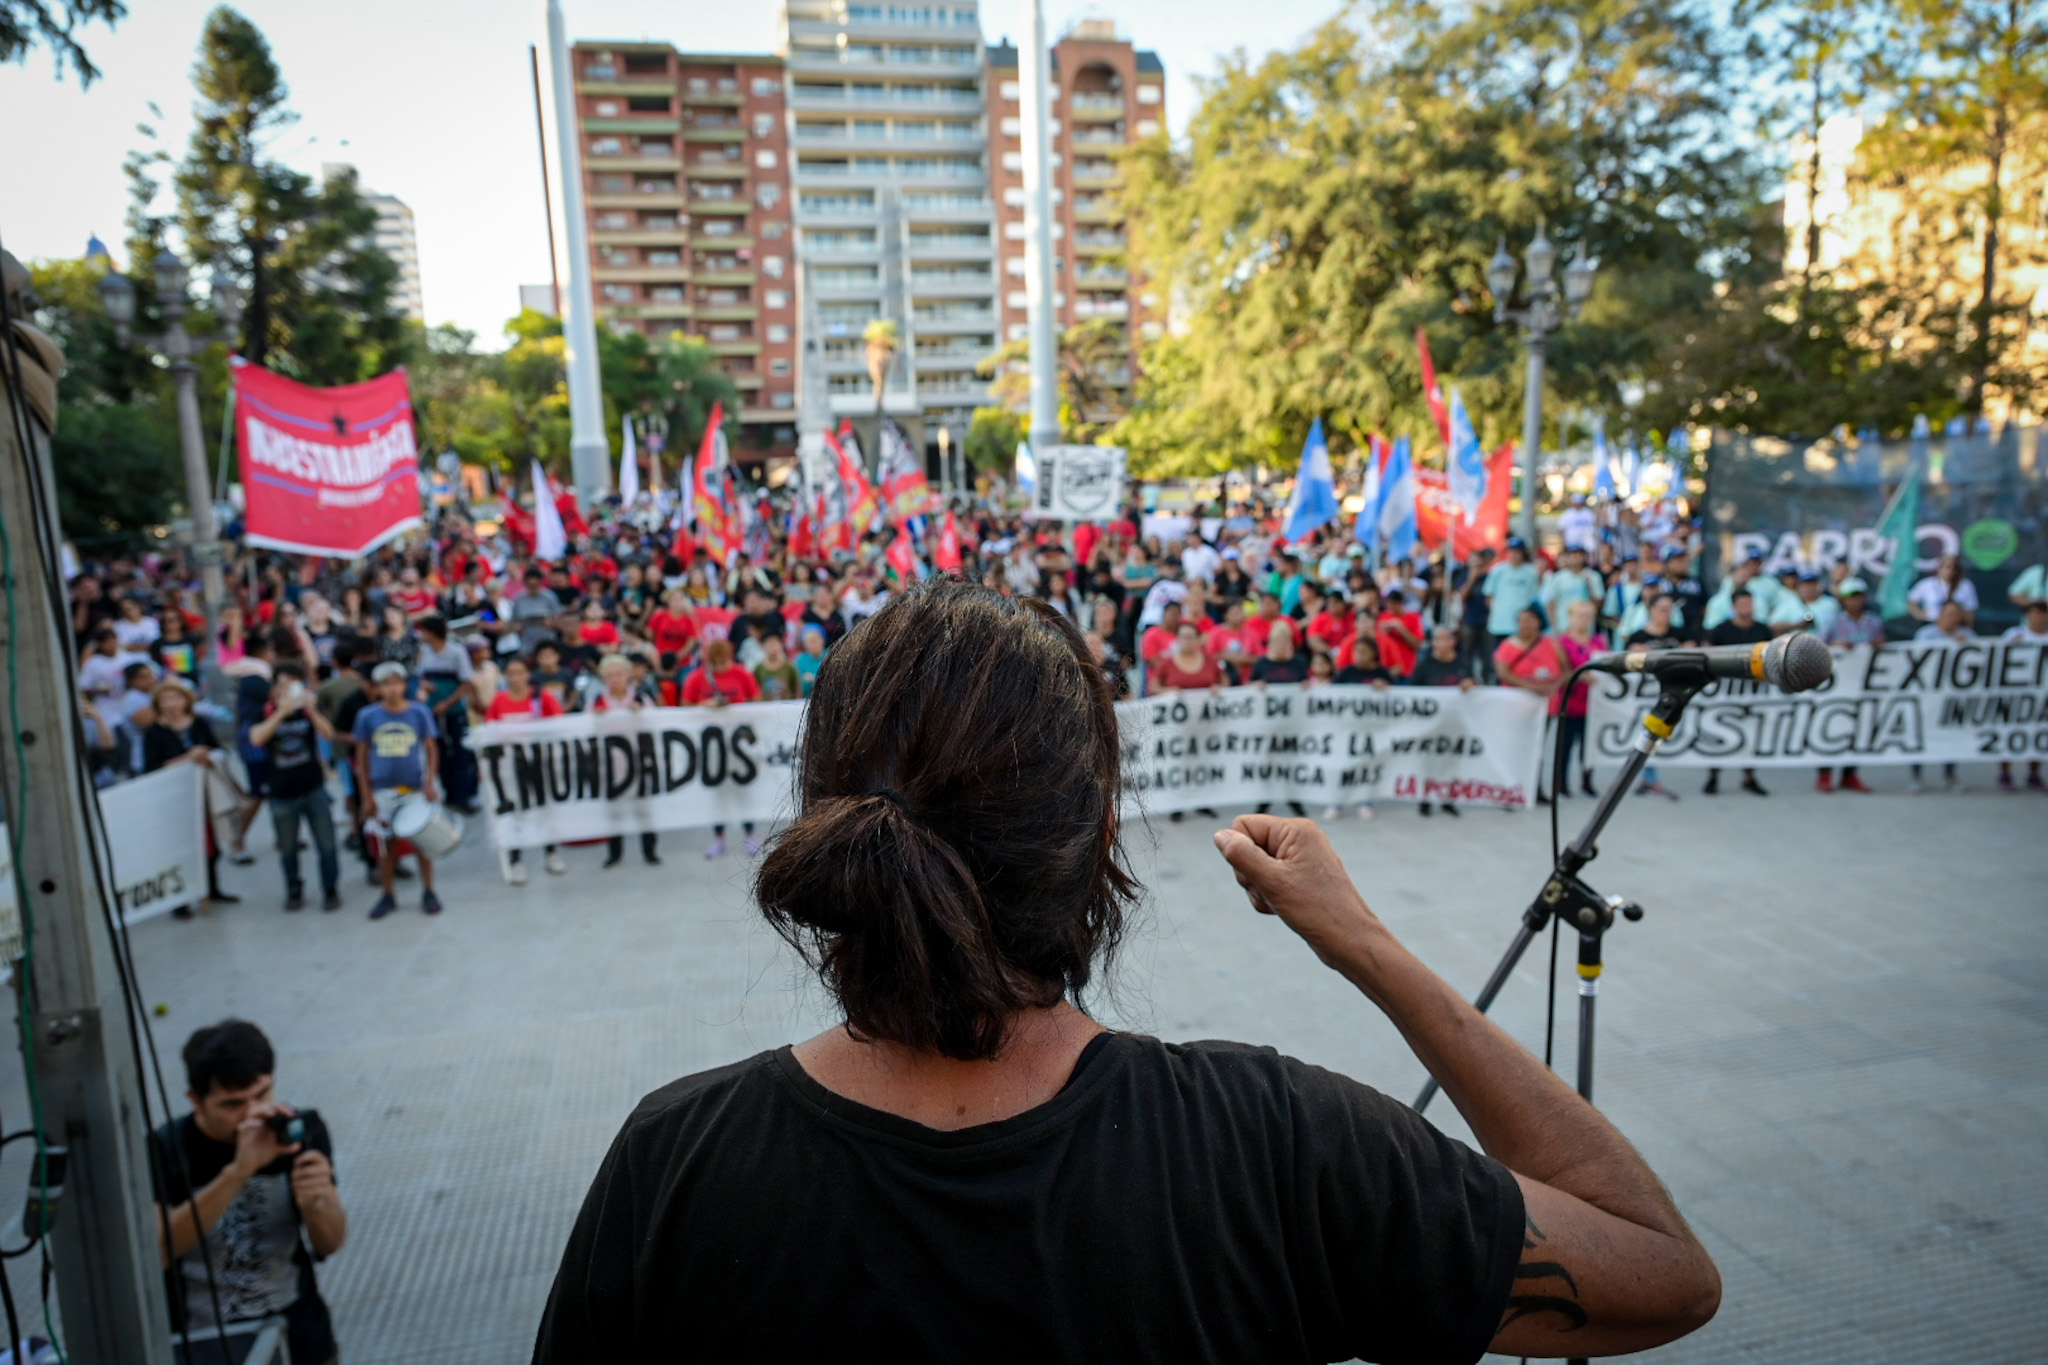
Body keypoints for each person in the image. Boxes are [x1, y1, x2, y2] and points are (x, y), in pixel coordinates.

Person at [534, 581, 1720, 1363]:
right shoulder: (1271, 1145)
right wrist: (1363, 942)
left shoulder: (672, 1163)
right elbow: (1661, 1270)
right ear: (1098, 835)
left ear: (826, 823)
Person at [152, 1020, 346, 1365]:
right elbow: (158, 1251)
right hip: (206, 1348)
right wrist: (238, 1172)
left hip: (302, 1341)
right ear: (196, 1101)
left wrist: (318, 1202)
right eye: (232, 1105)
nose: (252, 1114)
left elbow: (330, 1243)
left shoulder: (297, 1131)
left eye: (262, 1094)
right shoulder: (164, 1150)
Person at [247, 663, 342, 912]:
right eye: (283, 686)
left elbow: (329, 734)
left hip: (313, 788)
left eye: (293, 686)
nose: (287, 691)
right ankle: (293, 890)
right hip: (281, 793)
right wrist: (280, 713)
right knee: (288, 848)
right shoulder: (264, 712)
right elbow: (256, 738)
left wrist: (312, 710)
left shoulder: (308, 711)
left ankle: (330, 889)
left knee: (327, 844)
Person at [351, 662, 443, 919]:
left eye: (396, 683)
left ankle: (429, 890)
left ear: (404, 685)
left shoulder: (419, 713)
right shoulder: (368, 717)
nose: (392, 689)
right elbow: (361, 757)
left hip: (414, 789)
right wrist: (366, 796)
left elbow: (431, 748)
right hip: (382, 791)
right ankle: (388, 893)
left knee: (423, 842)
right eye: (386, 684)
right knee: (386, 845)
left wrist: (430, 782)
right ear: (377, 688)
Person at [142, 677, 238, 914]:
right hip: (173, 799)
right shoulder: (154, 732)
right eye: (165, 699)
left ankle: (211, 887)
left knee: (210, 843)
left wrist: (207, 756)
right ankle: (181, 899)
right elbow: (153, 767)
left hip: (204, 792)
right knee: (180, 846)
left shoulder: (198, 724)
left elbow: (217, 749)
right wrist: (187, 759)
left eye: (175, 698)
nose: (171, 703)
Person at [485, 657, 567, 883]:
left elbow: (559, 724)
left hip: (538, 763)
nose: (515, 677)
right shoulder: (499, 700)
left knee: (543, 809)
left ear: (528, 675)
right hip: (510, 766)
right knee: (515, 812)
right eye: (511, 673)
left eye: (520, 672)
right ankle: (516, 860)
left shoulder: (542, 697)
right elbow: (490, 732)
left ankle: (551, 853)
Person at [682, 639, 761, 858]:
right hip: (712, 745)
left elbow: (757, 700)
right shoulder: (697, 677)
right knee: (718, 794)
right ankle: (719, 838)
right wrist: (706, 705)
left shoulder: (742, 673)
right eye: (715, 664)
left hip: (738, 744)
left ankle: (750, 835)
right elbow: (686, 704)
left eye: (723, 663)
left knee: (743, 791)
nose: (719, 668)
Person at [1815, 578, 1886, 795]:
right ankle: (1825, 773)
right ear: (1843, 600)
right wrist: (1837, 645)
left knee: (1859, 727)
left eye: (1858, 596)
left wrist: (1878, 645)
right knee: (1833, 726)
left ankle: (1850, 773)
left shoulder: (1873, 622)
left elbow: (1882, 644)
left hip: (1862, 683)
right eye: (1850, 597)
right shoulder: (1833, 622)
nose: (1855, 601)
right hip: (1838, 683)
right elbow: (1818, 645)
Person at [592, 655, 663, 869]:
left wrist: (641, 714)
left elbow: (655, 722)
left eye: (619, 674)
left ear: (627, 676)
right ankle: (615, 853)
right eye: (610, 676)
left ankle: (650, 851)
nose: (615, 679)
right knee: (614, 812)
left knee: (644, 810)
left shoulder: (640, 697)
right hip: (611, 766)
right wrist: (596, 718)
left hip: (638, 763)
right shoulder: (598, 701)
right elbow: (588, 729)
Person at [1702, 591, 1772, 797]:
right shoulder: (1721, 629)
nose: (1746, 607)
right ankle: (1713, 775)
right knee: (1720, 735)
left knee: (1751, 734)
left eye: (1749, 603)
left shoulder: (1762, 629)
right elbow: (1708, 652)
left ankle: (1749, 776)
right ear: (1734, 607)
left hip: (1753, 691)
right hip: (1726, 692)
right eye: (1742, 604)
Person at [1623, 596, 1683, 799]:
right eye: (1662, 609)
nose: (1666, 613)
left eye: (1669, 609)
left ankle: (1649, 778)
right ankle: (1649, 777)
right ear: (1651, 610)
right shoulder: (1638, 635)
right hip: (1646, 696)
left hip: (1672, 696)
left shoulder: (1681, 633)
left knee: (1660, 736)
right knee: (1647, 733)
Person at [1554, 600, 1609, 800]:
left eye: (1588, 615)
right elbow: (1559, 670)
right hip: (1570, 701)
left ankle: (1587, 780)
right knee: (1565, 745)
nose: (1584, 620)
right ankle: (1561, 782)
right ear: (1570, 617)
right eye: (1580, 615)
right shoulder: (1562, 642)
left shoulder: (1598, 641)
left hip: (1593, 702)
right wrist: (1578, 676)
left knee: (1589, 745)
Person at [1998, 593, 2048, 792]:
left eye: (2042, 614)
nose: (2038, 618)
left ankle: (2034, 774)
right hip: (2016, 694)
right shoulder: (2014, 635)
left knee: (2038, 734)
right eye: (2034, 614)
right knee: (2009, 734)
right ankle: (2005, 773)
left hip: (2042, 695)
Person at [1482, 538, 1541, 655]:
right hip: (1500, 623)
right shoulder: (1498, 570)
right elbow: (1489, 595)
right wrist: (1494, 612)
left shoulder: (1531, 572)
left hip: (1522, 625)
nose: (1514, 555)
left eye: (1517, 551)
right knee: (1500, 655)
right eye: (1511, 551)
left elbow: (1533, 596)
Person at [1146, 621, 1223, 695]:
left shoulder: (1210, 661)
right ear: (1177, 639)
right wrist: (1167, 691)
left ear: (1198, 639)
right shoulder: (1167, 663)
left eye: (1191, 637)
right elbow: (1153, 687)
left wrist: (1219, 688)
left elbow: (1225, 680)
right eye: (1184, 637)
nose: (1188, 641)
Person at [1907, 553, 1977, 628]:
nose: (1950, 571)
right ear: (1940, 568)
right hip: (1931, 624)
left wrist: (1968, 628)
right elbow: (1912, 601)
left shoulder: (1965, 585)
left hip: (1956, 627)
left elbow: (1970, 610)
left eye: (1954, 568)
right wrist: (1921, 615)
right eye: (1947, 567)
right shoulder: (1927, 584)